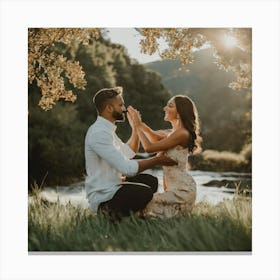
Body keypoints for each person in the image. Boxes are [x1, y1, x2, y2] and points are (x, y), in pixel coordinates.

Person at [84, 87, 177, 220]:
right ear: (109, 108)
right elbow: (127, 169)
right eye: (121, 105)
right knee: (144, 192)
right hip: (103, 196)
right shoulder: (99, 133)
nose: (124, 109)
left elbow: (129, 152)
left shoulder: (107, 130)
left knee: (150, 181)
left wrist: (135, 127)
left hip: (113, 184)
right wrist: (157, 160)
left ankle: (132, 216)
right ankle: (107, 213)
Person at [129, 95, 202, 218]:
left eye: (170, 106)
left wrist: (137, 125)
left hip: (182, 191)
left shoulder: (182, 134)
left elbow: (149, 148)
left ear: (179, 113)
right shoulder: (171, 133)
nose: (164, 108)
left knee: (141, 210)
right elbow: (154, 137)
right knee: (138, 209)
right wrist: (139, 124)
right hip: (173, 189)